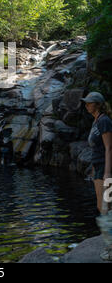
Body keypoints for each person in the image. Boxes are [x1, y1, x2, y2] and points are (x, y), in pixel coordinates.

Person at [82, 92, 112, 261]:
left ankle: (111, 248)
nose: (86, 105)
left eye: (89, 102)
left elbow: (109, 148)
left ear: (98, 104)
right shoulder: (96, 121)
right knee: (102, 207)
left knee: (107, 209)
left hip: (106, 169)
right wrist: (95, 171)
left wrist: (107, 173)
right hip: (98, 169)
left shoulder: (104, 121)